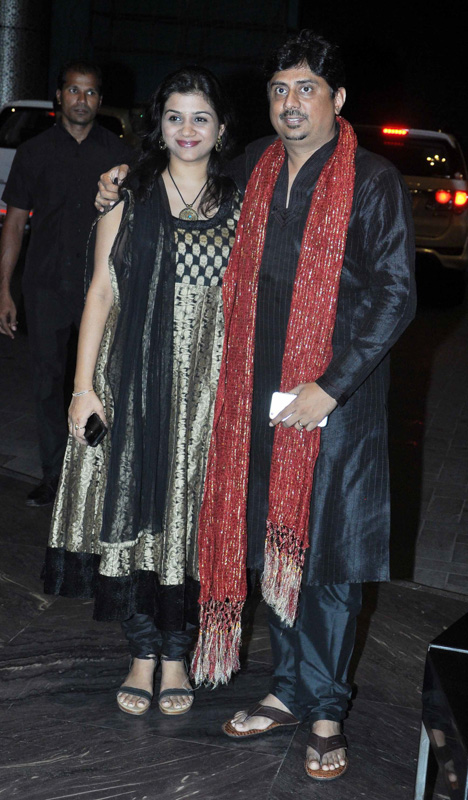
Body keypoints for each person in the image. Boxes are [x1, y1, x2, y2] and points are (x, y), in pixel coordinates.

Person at [96, 30, 416, 780]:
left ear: (338, 99)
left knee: (326, 562)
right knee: (274, 548)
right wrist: (119, 179)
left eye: (307, 88)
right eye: (279, 89)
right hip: (254, 399)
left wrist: (330, 385)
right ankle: (287, 688)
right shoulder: (257, 167)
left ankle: (327, 708)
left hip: (335, 405)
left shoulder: (373, 182)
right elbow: (185, 170)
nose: (290, 102)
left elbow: (396, 296)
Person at [43, 67, 241, 716]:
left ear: (221, 129)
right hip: (128, 379)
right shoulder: (129, 193)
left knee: (188, 520)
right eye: (175, 117)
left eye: (201, 118)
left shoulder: (241, 204)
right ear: (159, 124)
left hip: (205, 392)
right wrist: (81, 388)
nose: (187, 130)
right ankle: (142, 653)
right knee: (128, 509)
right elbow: (101, 292)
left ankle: (178, 654)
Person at [0, 60, 133, 507]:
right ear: (59, 96)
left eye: (91, 92)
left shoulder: (119, 153)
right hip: (45, 286)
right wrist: (3, 288)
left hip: (102, 288)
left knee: (102, 380)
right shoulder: (33, 152)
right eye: (74, 90)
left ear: (100, 99)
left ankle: (97, 478)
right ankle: (53, 475)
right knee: (46, 381)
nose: (82, 99)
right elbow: (14, 224)